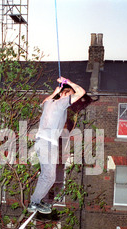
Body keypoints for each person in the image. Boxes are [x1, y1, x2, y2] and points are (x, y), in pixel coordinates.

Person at [28, 77, 86, 214]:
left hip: (43, 142)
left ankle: (37, 200)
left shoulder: (50, 102)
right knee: (49, 176)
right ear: (65, 95)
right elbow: (82, 92)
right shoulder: (61, 104)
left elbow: (43, 102)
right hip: (47, 143)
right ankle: (34, 202)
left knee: (47, 175)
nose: (72, 100)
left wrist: (55, 92)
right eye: (70, 96)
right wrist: (69, 82)